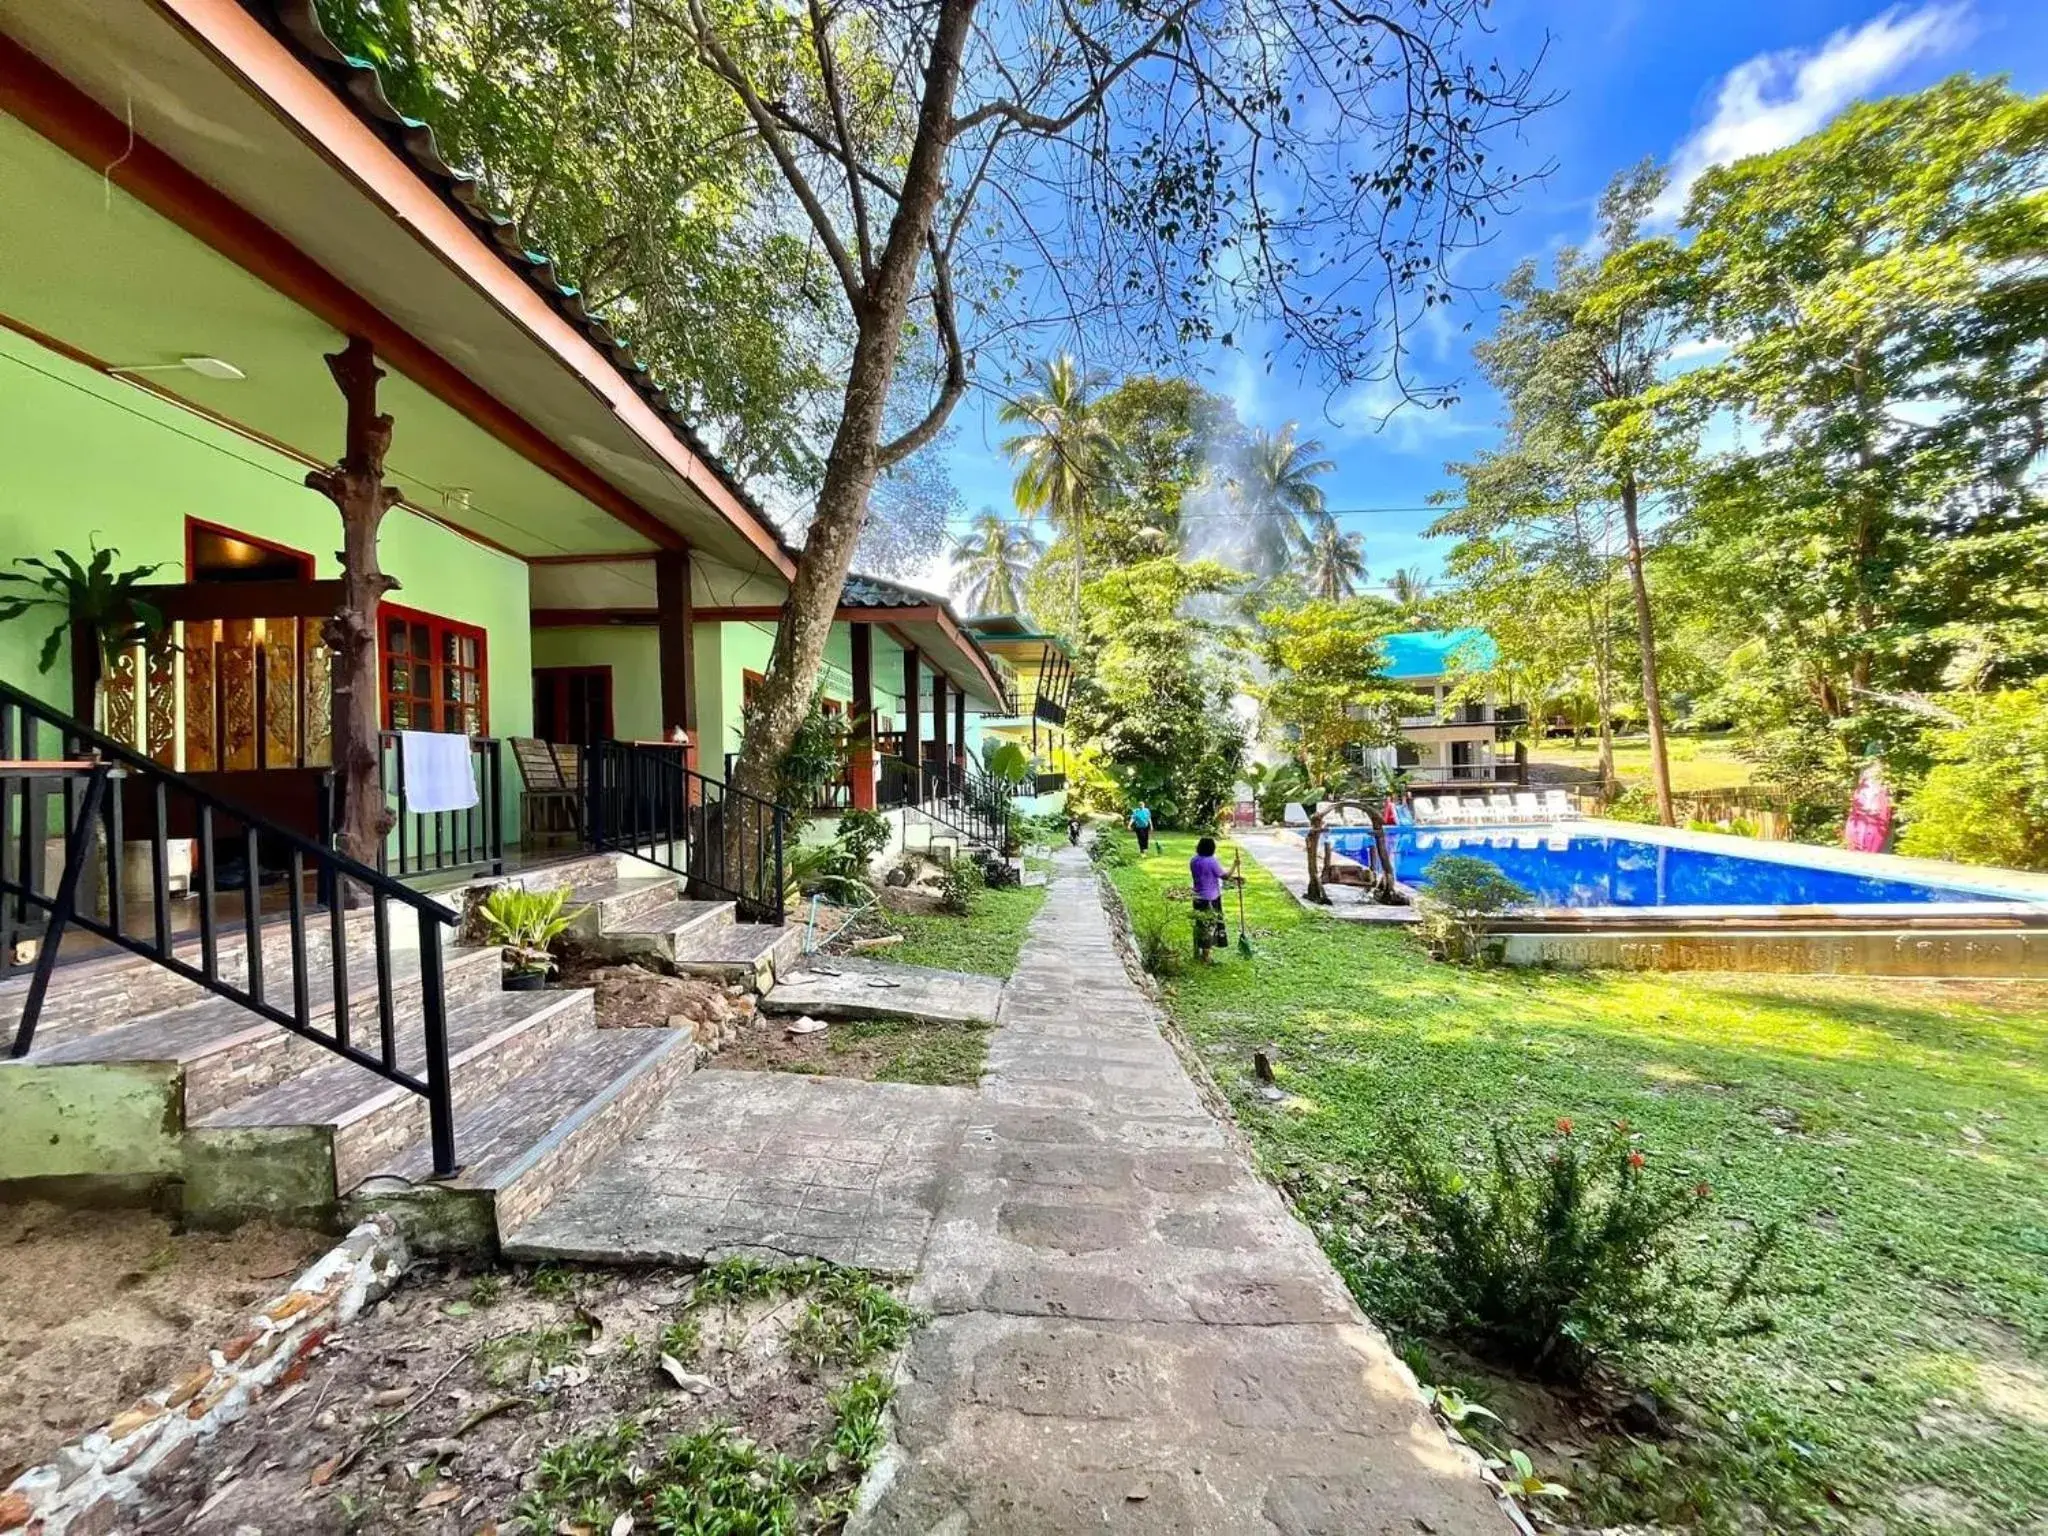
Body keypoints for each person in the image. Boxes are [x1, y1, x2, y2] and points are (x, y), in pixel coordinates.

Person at [1189, 836, 1239, 961]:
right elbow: (1225, 876)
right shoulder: (1211, 861)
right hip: (1211, 898)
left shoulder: (1194, 860)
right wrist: (1235, 865)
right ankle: (1206, 957)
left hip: (1197, 897)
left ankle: (1200, 951)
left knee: (1201, 923)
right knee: (1210, 925)